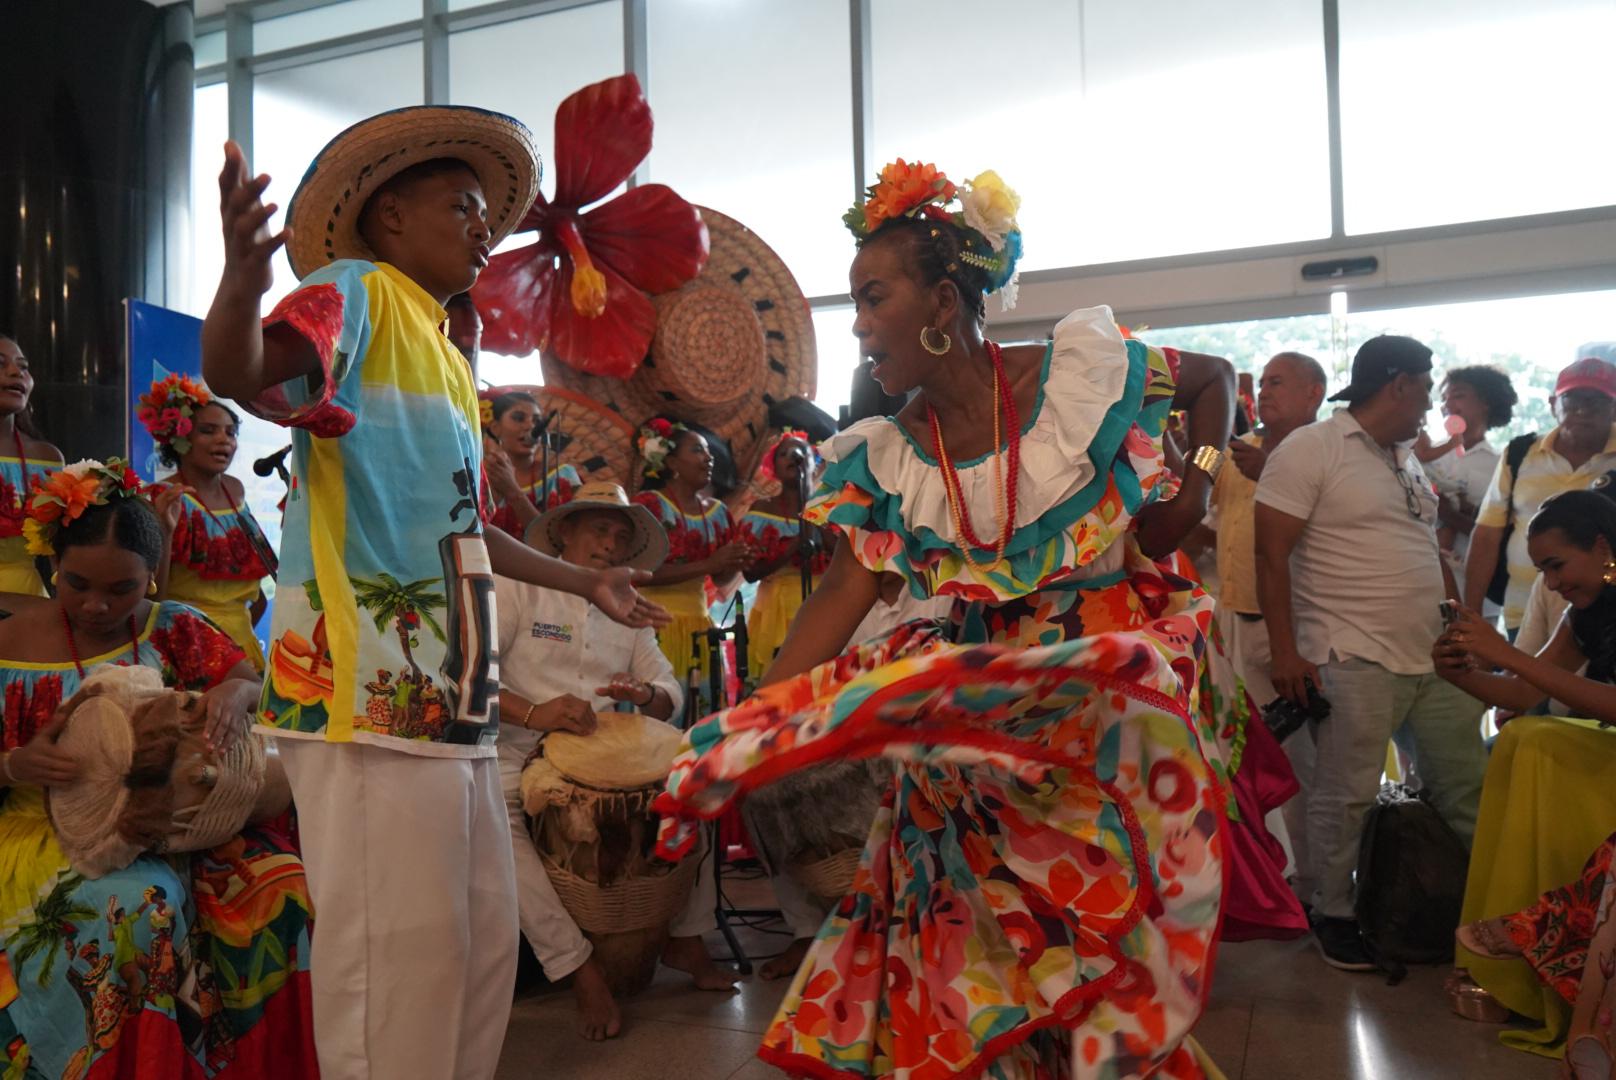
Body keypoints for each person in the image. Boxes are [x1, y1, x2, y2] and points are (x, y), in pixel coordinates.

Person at [654, 162, 1237, 1077]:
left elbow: (1215, 378)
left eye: (871, 296)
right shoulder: (888, 458)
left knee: (1096, 958)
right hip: (970, 746)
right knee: (976, 962)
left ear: (944, 296)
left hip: (1095, 725)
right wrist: (746, 727)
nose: (857, 324)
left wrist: (1191, 483)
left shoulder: (1079, 374)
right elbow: (838, 601)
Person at [198, 109, 664, 1080]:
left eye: (484, 209)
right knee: (393, 960)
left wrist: (589, 582)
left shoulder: (446, 355)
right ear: (388, 218)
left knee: (478, 943)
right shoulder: (353, 289)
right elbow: (242, 373)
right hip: (364, 683)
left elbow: (464, 532)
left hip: (447, 693)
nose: (483, 227)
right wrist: (244, 278)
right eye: (461, 206)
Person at [0, 460, 315, 1078]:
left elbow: (246, 677)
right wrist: (14, 765)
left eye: (122, 589)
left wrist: (234, 694)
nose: (97, 604)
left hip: (174, 822)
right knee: (141, 906)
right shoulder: (10, 643)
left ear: (152, 575)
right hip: (41, 831)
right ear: (52, 568)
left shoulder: (173, 625)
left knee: (285, 885)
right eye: (77, 583)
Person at [1255, 334, 1487, 971]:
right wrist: (1286, 651)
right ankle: (1334, 912)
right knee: (1347, 793)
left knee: (1465, 786)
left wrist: (1458, 629)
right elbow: (1270, 555)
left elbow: (1426, 550)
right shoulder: (1313, 448)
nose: (1432, 405)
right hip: (1351, 652)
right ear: (1401, 384)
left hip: (1433, 657)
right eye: (1425, 385)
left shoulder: (1403, 457)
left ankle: (1479, 915)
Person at [493, 482, 733, 1042]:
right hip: (513, 750)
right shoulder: (518, 585)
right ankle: (577, 968)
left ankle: (687, 936)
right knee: (499, 828)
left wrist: (644, 695)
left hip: (600, 757)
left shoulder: (629, 608)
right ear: (563, 532)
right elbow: (471, 675)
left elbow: (668, 691)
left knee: (697, 787)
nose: (611, 543)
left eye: (622, 537)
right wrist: (534, 712)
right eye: (599, 529)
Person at [1435, 490, 1616, 1057]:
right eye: (1542, 571)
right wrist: (1458, 673)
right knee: (1521, 736)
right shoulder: (1588, 608)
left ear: (1602, 546)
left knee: (1536, 742)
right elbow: (1522, 693)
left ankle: (1542, 929)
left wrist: (1508, 653)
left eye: (1557, 566)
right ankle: (1520, 938)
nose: (1553, 583)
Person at [1202, 350, 1327, 901]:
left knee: (1302, 760)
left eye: (1279, 382)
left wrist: (1272, 469)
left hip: (1293, 628)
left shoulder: (1326, 455)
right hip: (1232, 619)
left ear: (1314, 394)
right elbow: (1210, 529)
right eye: (1264, 383)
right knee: (1248, 752)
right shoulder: (1239, 457)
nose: (1267, 392)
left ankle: (1316, 881)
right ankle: (1270, 869)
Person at [1465, 357, 1616, 635]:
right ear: (1552, 404)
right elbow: (1487, 535)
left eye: (1596, 400)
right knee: (1516, 678)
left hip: (1602, 616)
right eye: (1572, 398)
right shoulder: (1520, 452)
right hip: (1521, 614)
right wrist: (1472, 616)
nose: (1583, 409)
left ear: (1614, 408)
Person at [139, 374, 276, 670]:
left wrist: (235, 635)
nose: (223, 440)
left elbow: (258, 594)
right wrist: (165, 531)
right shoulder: (160, 498)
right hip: (187, 648)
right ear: (180, 438)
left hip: (243, 648)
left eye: (230, 432)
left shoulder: (236, 490)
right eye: (208, 431)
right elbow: (152, 598)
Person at [632, 419, 749, 702]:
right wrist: (708, 565)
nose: (708, 458)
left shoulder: (719, 512)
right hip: (652, 625)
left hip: (700, 625)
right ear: (672, 462)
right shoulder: (648, 505)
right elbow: (637, 573)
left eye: (708, 451)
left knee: (698, 711)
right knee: (658, 710)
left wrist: (736, 560)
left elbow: (721, 579)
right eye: (697, 450)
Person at [737, 429, 832, 678]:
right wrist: (793, 545)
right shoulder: (761, 509)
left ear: (813, 463)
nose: (793, 456)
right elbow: (749, 574)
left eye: (801, 451)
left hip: (825, 610)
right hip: (775, 614)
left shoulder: (830, 508)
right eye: (783, 453)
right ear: (774, 467)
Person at [1417, 366, 1516, 573]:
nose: (1447, 405)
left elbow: (1500, 537)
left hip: (1470, 582)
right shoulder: (1425, 454)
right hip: (1418, 572)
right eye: (1444, 399)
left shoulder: (1501, 464)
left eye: (1458, 396)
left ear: (1486, 402)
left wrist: (1449, 514)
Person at [0, 332, 63, 602]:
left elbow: (60, 556)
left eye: (23, 367)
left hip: (32, 605)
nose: (16, 372)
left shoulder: (47, 458)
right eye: (0, 364)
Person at [480, 387, 582, 538]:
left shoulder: (562, 475)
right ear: (495, 428)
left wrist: (512, 491)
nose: (530, 426)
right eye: (519, 418)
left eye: (537, 421)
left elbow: (557, 541)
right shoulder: (478, 474)